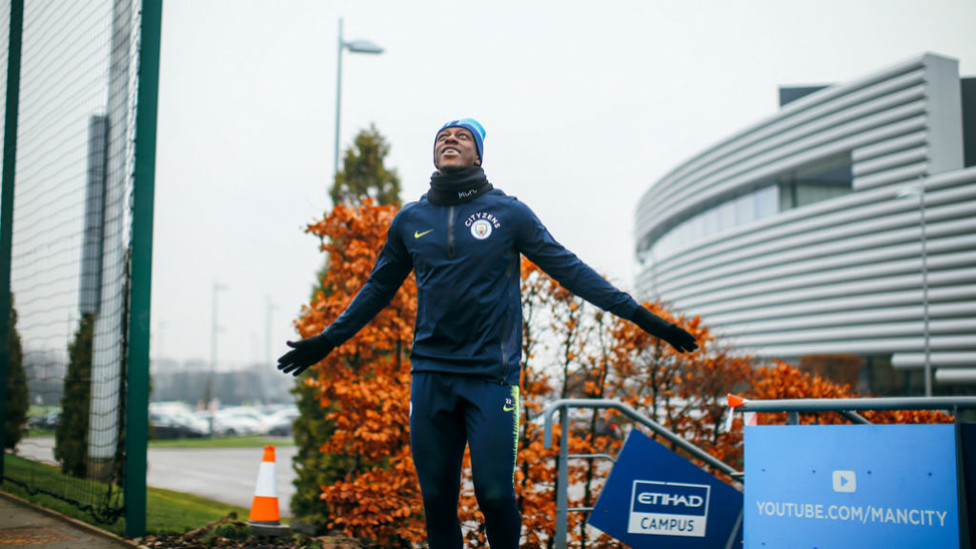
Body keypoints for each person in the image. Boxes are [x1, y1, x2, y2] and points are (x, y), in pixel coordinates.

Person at [277, 118, 698, 548]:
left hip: (491, 378)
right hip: (431, 377)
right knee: (437, 498)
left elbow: (570, 270)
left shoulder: (508, 213)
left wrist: (644, 319)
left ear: (478, 154)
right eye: (442, 137)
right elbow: (376, 289)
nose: (450, 140)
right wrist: (327, 340)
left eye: (462, 137)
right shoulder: (410, 220)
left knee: (494, 493)